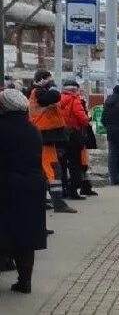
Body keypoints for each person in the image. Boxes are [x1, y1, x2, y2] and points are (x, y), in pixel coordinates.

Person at [0, 88, 48, 293]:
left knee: (5, 232)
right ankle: (25, 280)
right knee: (26, 236)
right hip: (32, 187)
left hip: (7, 187)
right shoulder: (33, 130)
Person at [27, 70, 76, 213]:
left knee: (45, 171)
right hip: (43, 136)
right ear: (42, 80)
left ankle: (42, 201)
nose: (51, 82)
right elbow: (54, 97)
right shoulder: (38, 92)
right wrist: (53, 87)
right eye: (49, 79)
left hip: (45, 136)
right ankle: (58, 203)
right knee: (53, 171)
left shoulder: (37, 92)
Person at [59, 80, 90, 200]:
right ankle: (73, 191)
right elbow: (82, 118)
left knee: (62, 163)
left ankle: (62, 189)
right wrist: (87, 119)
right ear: (74, 90)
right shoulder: (74, 100)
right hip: (74, 135)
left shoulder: (59, 99)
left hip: (61, 134)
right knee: (75, 163)